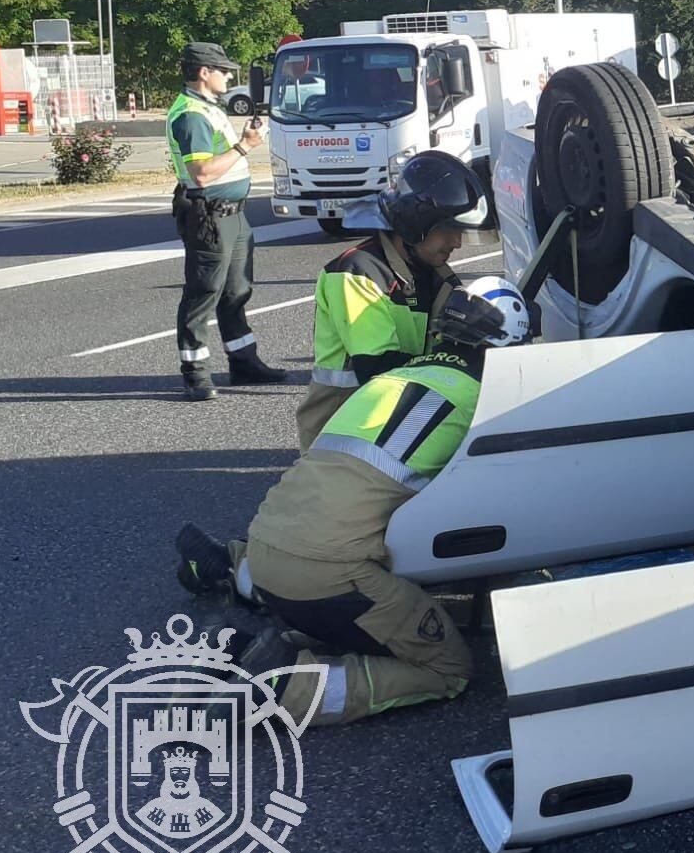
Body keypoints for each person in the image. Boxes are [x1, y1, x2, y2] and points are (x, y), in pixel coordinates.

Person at [191, 278, 534, 727]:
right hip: (326, 577)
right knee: (447, 667)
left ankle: (254, 635)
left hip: (263, 551)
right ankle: (280, 693)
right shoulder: (483, 402)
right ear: (509, 346)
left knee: (367, 556)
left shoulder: (392, 379)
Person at [293, 151, 483, 449]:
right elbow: (378, 368)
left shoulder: (437, 276)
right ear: (416, 223)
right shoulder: (356, 273)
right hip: (344, 435)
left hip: (403, 424)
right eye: (450, 230)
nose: (457, 243)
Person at [167, 41, 286, 401]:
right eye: (222, 70)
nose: (229, 76)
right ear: (204, 73)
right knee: (203, 292)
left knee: (236, 291)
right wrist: (246, 146)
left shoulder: (208, 107)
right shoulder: (191, 114)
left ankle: (243, 361)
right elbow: (201, 173)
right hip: (209, 215)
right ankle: (195, 372)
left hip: (232, 214)